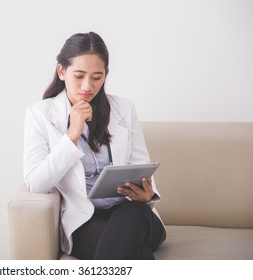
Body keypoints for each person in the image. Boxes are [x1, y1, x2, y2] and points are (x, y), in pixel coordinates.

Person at [23, 32, 166, 260]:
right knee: (122, 250)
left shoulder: (124, 109)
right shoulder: (39, 115)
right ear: (62, 71)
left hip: (133, 212)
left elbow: (141, 166)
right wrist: (71, 136)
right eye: (79, 76)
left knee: (130, 219)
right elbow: (36, 183)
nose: (87, 86)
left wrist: (147, 195)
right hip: (86, 219)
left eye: (97, 77)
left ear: (106, 75)